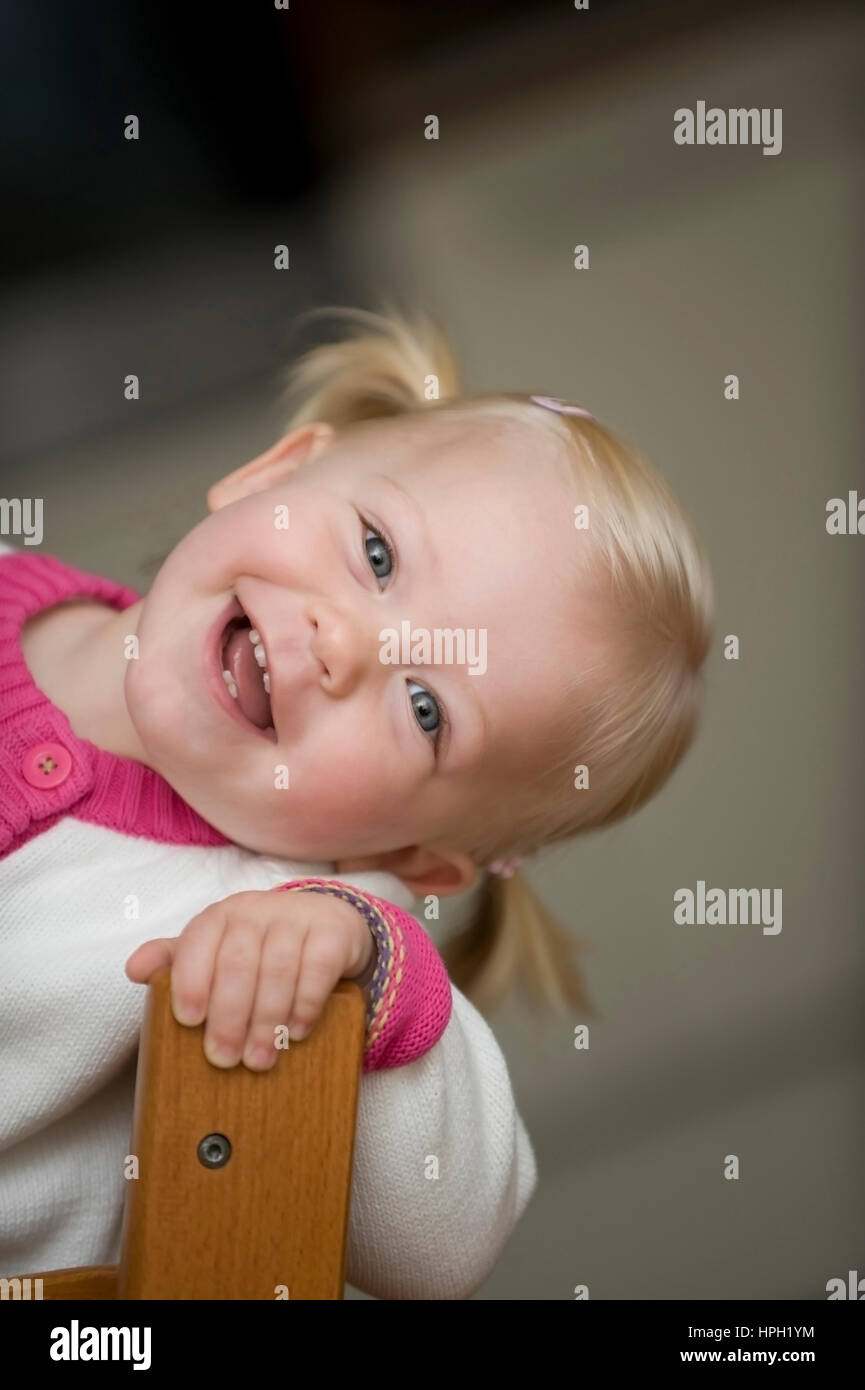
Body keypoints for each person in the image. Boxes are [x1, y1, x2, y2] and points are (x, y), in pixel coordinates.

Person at [0, 306, 714, 1299]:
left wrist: (358, 961)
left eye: (426, 708)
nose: (346, 644)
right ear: (273, 474)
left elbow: (449, 1239)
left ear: (416, 853)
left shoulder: (270, 922)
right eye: (376, 555)